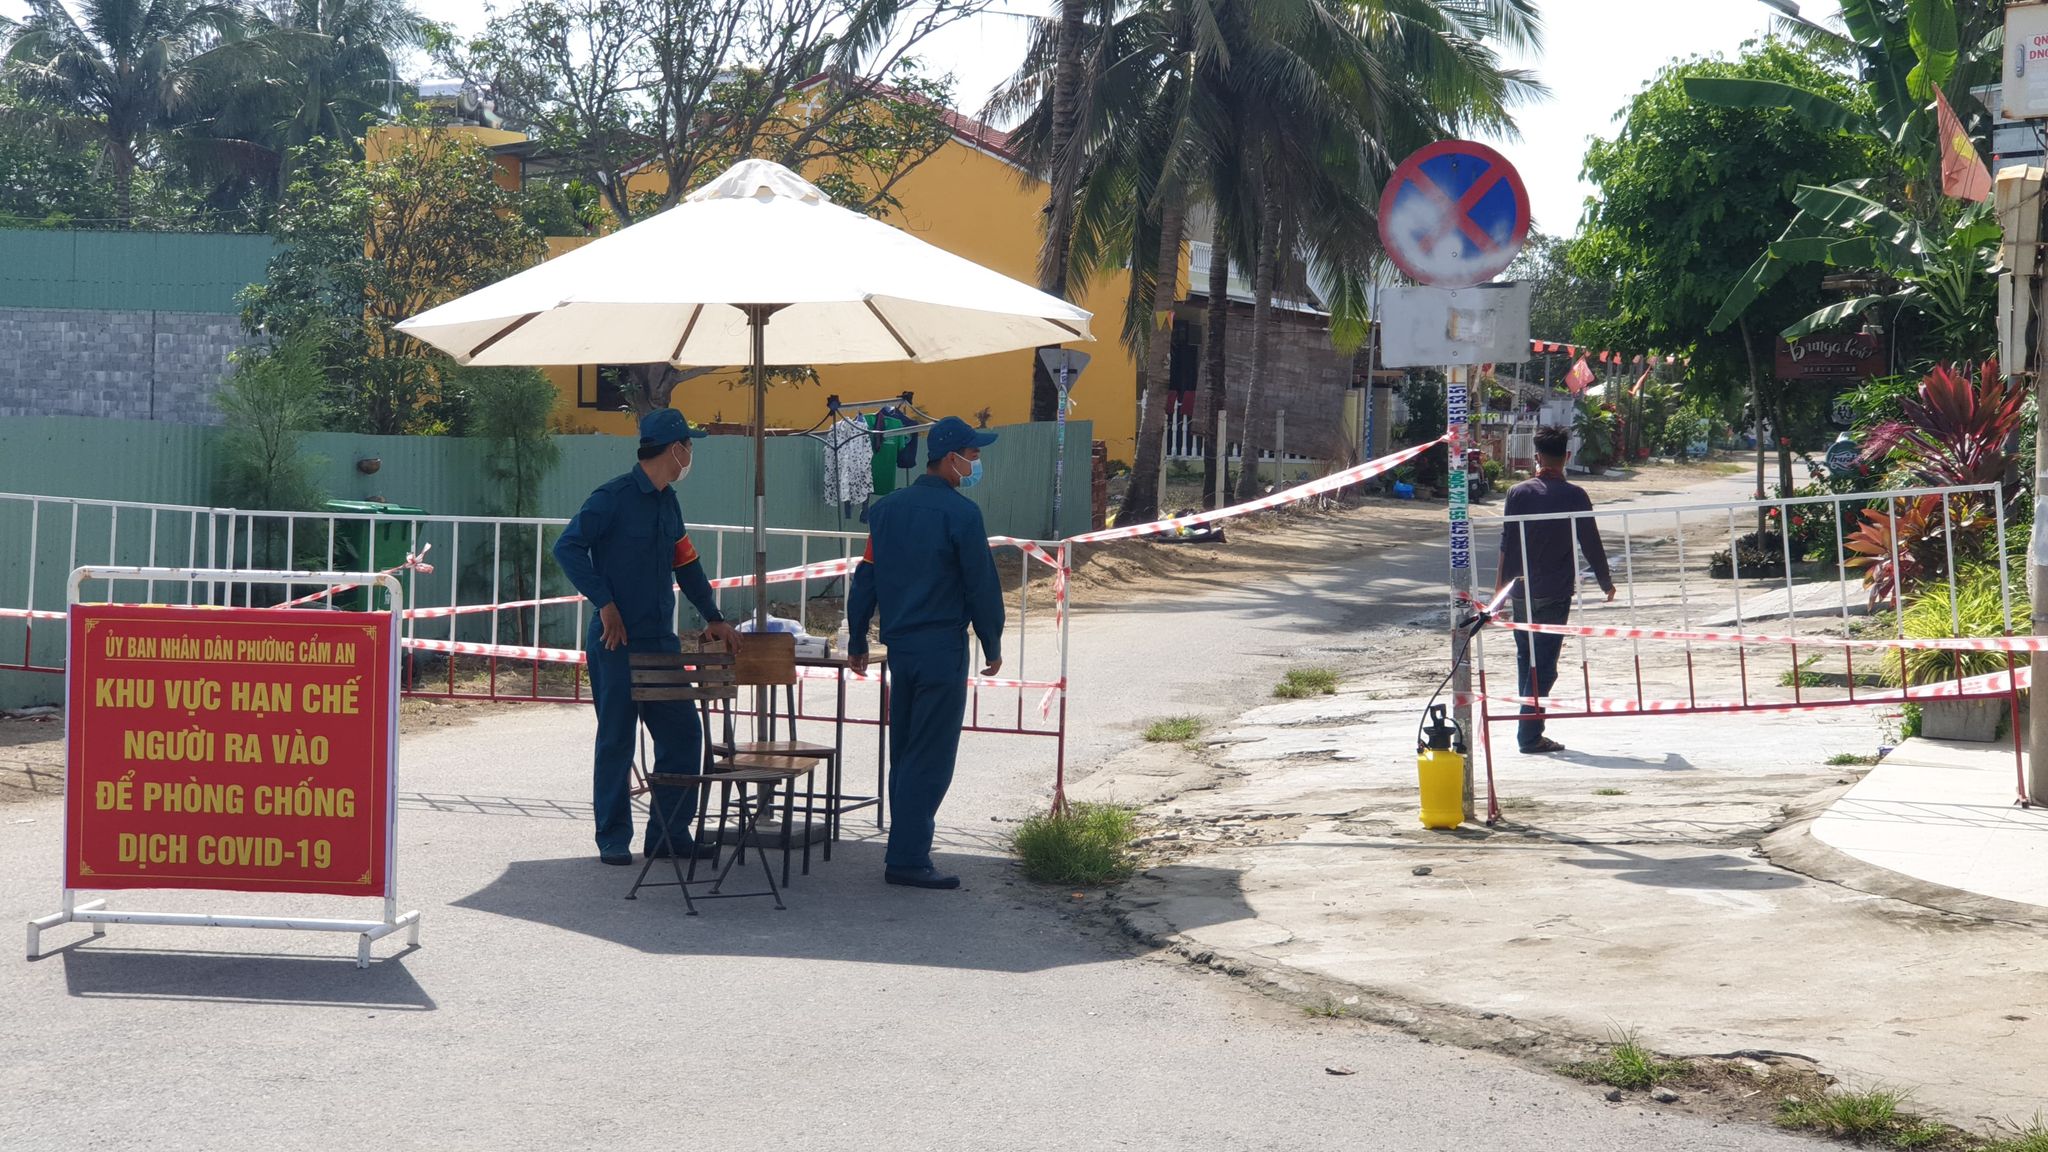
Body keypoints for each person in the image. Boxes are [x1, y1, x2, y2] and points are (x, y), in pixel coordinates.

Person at [553, 409, 743, 865]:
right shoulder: (612, 498)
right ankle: (613, 837)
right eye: (688, 446)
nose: (690, 455)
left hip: (660, 642)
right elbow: (567, 547)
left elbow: (686, 563)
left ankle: (668, 834)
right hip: (616, 642)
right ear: (674, 449)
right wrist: (604, 602)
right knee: (617, 739)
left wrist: (714, 616)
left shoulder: (668, 502)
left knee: (683, 734)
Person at [846, 416, 1005, 890]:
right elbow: (980, 583)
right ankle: (908, 858)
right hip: (941, 649)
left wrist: (857, 638)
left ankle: (905, 848)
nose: (976, 463)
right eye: (973, 456)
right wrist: (992, 641)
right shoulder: (962, 515)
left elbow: (866, 578)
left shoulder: (886, 511)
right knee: (930, 756)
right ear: (951, 459)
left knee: (906, 751)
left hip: (901, 650)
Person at [1496, 425, 1613, 755]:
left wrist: (1499, 592)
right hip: (1555, 591)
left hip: (1521, 592)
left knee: (1527, 660)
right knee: (1544, 666)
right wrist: (1605, 581)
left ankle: (1529, 728)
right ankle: (1529, 734)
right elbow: (1590, 541)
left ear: (1537, 457)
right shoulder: (1575, 495)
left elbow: (1507, 544)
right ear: (1567, 456)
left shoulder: (1517, 493)